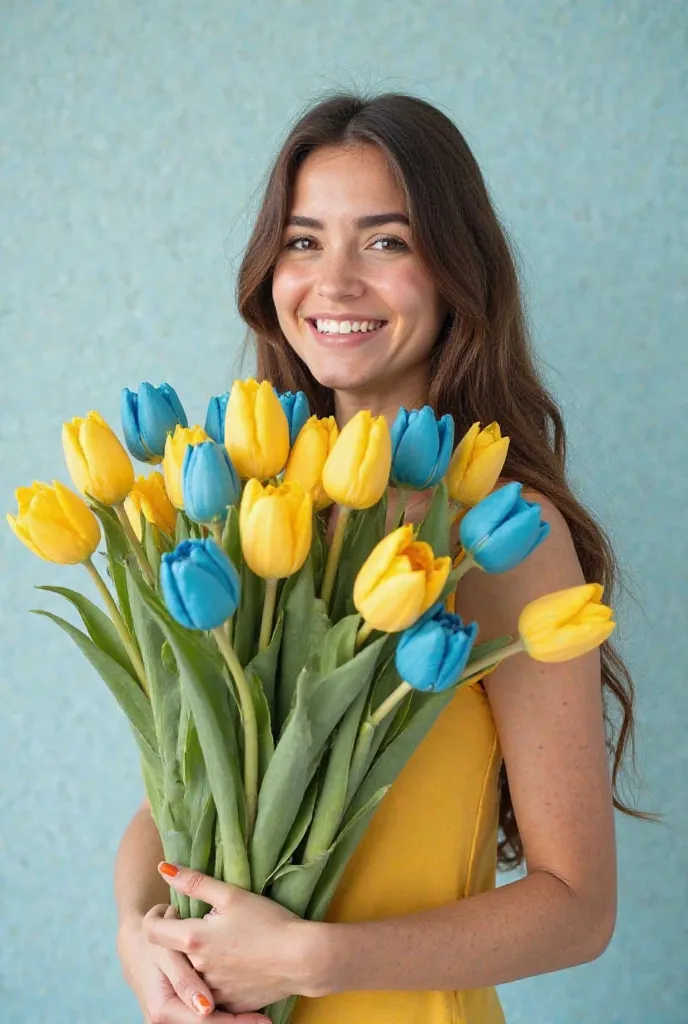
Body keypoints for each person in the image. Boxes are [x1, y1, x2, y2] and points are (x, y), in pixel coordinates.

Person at [115, 90, 650, 1024]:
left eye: (387, 242)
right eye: (304, 240)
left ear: (456, 273)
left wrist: (310, 960)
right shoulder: (242, 503)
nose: (335, 282)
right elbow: (178, 789)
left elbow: (578, 909)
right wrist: (140, 936)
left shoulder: (503, 535)